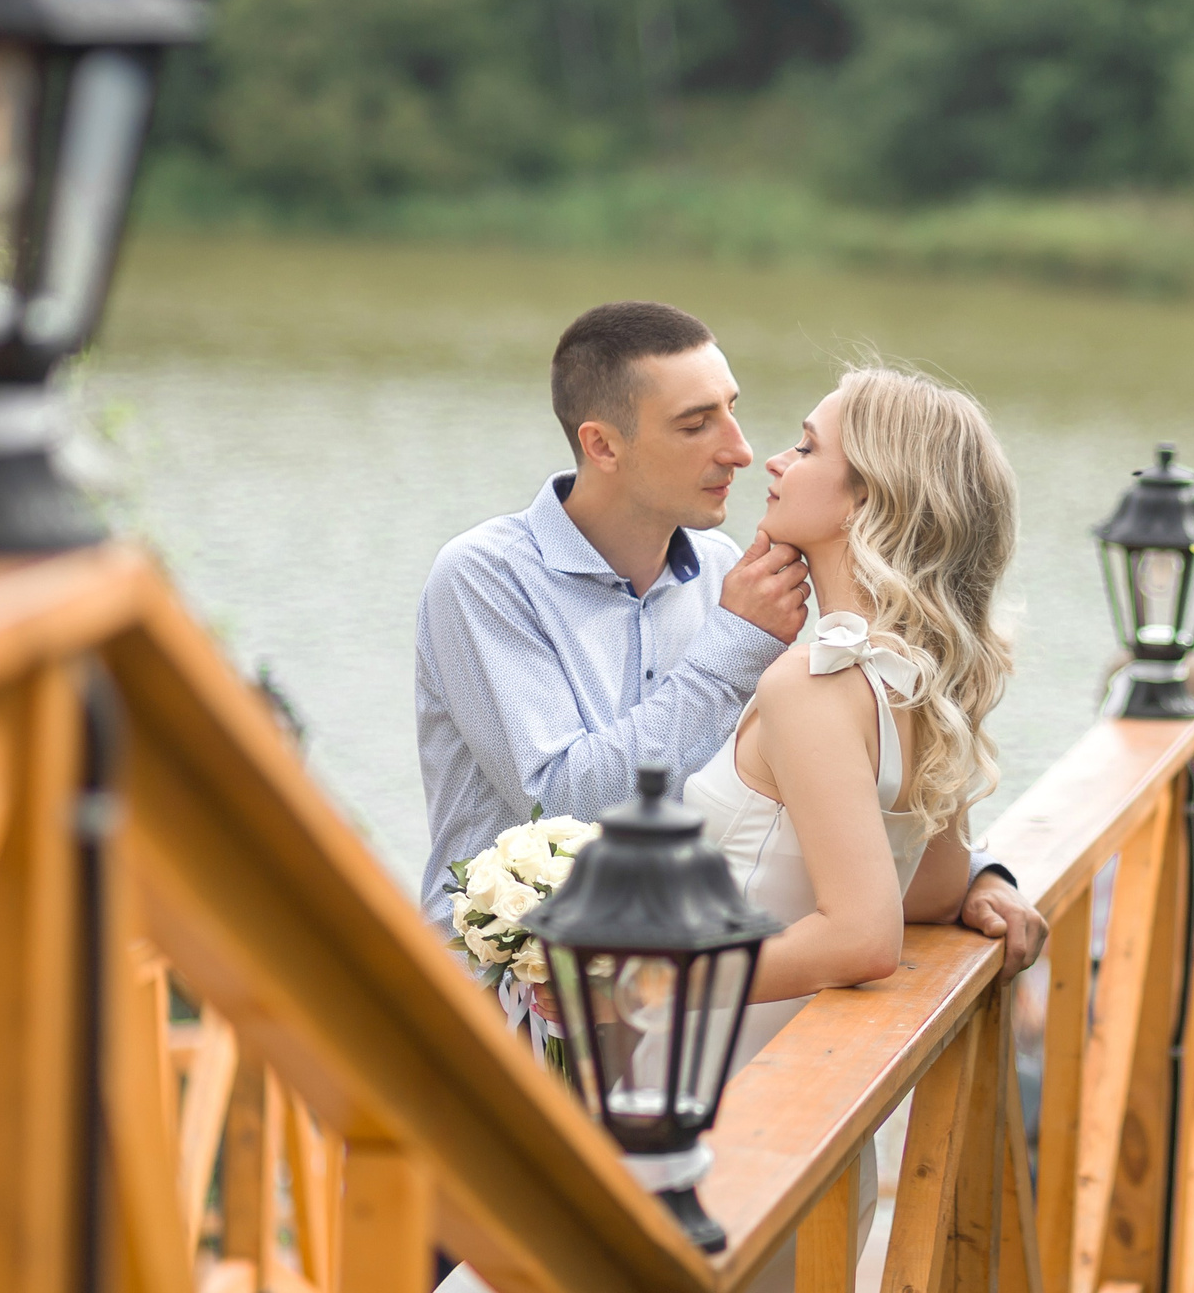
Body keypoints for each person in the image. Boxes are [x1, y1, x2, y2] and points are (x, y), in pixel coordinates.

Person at [421, 364, 1028, 1293]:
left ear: (868, 495)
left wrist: (659, 976)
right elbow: (916, 882)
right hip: (795, 1105)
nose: (772, 459)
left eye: (804, 443)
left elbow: (862, 933)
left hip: (709, 1108)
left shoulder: (812, 683)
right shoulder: (913, 672)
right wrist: (979, 887)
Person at [414, 302, 1046, 963]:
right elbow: (563, 805)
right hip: (501, 1001)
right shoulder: (484, 578)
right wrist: (734, 645)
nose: (742, 451)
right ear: (602, 444)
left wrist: (975, 872)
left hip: (647, 1012)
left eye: (733, 409)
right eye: (696, 424)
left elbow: (811, 801)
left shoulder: (729, 575)